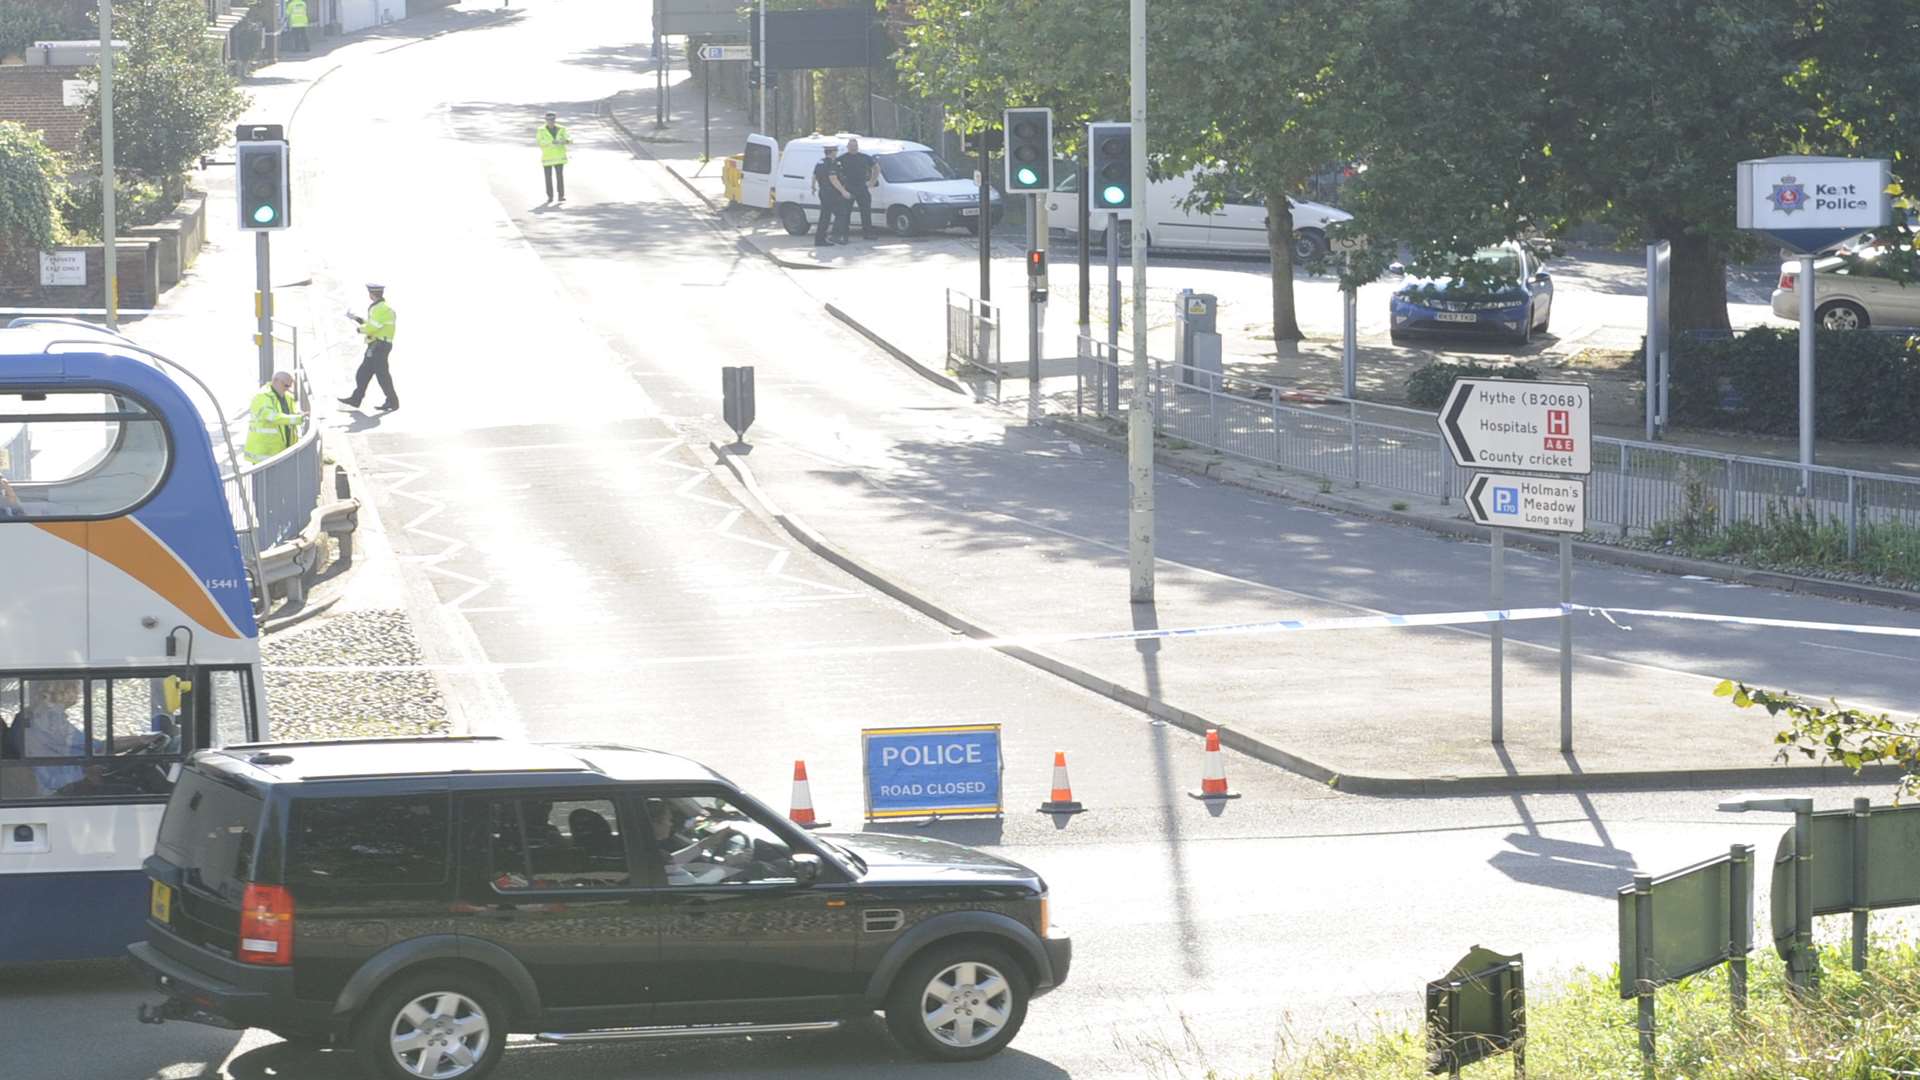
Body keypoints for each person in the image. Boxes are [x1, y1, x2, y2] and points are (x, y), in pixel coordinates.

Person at [338, 284, 398, 413]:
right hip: (376, 346)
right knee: (363, 374)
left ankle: (393, 402)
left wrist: (360, 329)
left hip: (379, 346)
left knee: (382, 376)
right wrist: (357, 319)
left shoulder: (381, 308)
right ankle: (356, 399)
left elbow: (372, 327)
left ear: (372, 294)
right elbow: (373, 324)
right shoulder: (380, 308)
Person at [19, 681, 86, 797]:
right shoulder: (48, 718)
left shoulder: (44, 715)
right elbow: (89, 746)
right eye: (75, 687)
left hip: (58, 785)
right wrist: (85, 773)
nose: (79, 692)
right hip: (51, 793)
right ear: (64, 690)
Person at [243, 371, 303, 464]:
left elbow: (290, 413)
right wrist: (298, 419)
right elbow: (273, 417)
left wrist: (299, 414)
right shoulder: (262, 397)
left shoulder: (287, 397)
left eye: (290, 386)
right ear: (275, 381)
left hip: (280, 451)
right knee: (264, 478)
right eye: (286, 385)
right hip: (264, 453)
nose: (287, 389)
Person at [836, 137, 880, 240]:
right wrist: (841, 187)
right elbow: (834, 172)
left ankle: (868, 233)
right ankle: (844, 234)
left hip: (862, 187)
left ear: (858, 147)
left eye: (855, 146)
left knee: (866, 211)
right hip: (848, 187)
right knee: (846, 213)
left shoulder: (864, 157)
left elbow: (876, 167)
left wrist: (872, 181)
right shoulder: (842, 159)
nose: (853, 148)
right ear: (847, 147)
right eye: (851, 146)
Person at [812, 145, 850, 247]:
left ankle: (819, 240)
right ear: (832, 152)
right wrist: (843, 191)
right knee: (841, 213)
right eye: (836, 150)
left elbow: (814, 175)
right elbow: (833, 178)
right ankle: (835, 236)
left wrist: (813, 187)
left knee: (825, 216)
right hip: (832, 193)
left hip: (823, 192)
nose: (837, 152)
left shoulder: (820, 162)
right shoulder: (832, 163)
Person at [537, 113, 571, 204]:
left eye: (552, 120)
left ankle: (561, 195)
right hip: (547, 157)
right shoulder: (541, 130)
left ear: (555, 120)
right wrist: (552, 142)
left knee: (560, 177)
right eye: (549, 120)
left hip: (559, 157)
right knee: (548, 177)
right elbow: (540, 142)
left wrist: (564, 141)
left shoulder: (562, 129)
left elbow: (569, 139)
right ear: (546, 120)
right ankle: (550, 196)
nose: (551, 122)